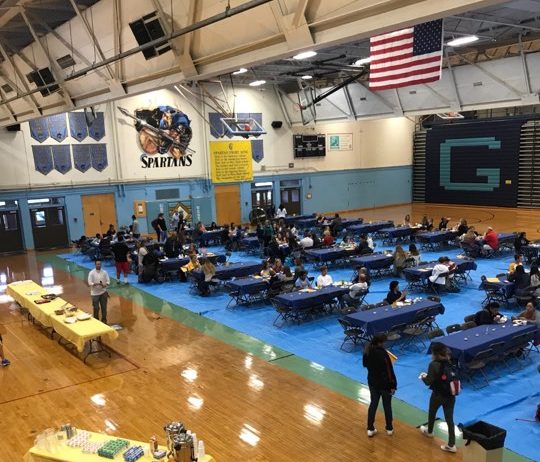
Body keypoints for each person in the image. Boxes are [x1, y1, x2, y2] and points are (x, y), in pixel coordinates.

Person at [419, 343, 457, 453]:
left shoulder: (433, 364)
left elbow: (428, 382)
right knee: (450, 420)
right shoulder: (450, 362)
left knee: (432, 412)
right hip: (451, 395)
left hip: (438, 395)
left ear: (434, 354)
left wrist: (422, 377)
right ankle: (451, 444)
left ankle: (429, 432)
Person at [363, 334, 397, 437]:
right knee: (387, 406)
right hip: (385, 384)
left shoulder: (367, 351)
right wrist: (393, 385)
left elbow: (365, 365)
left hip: (372, 382)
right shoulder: (383, 354)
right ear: (380, 342)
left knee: (373, 404)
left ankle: (370, 428)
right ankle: (389, 428)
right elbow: (389, 371)